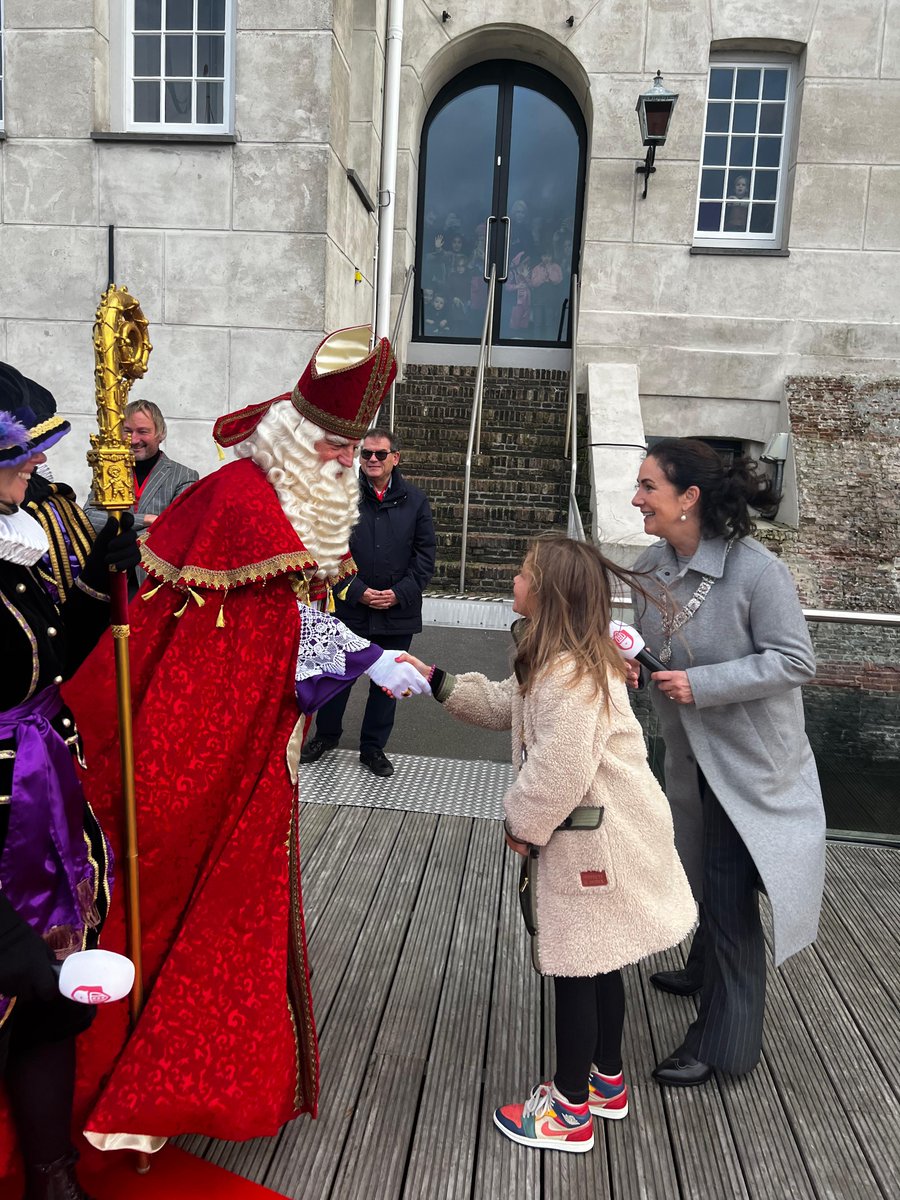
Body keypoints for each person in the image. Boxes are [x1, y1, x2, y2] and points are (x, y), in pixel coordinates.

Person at [52, 327, 430, 1158]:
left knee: (234, 909)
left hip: (256, 749)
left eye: (351, 450)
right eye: (334, 447)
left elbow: (282, 624)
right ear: (295, 437)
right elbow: (251, 639)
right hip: (203, 750)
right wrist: (361, 657)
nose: (344, 462)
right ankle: (144, 1092)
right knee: (193, 902)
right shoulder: (240, 504)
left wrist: (368, 655)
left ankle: (199, 1088)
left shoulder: (282, 500)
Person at [400, 536, 696, 1152]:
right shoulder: (565, 659)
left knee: (575, 966)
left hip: (594, 843)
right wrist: (438, 681)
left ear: (547, 591)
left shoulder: (569, 673)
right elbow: (506, 706)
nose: (514, 579)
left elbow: (560, 770)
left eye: (523, 573)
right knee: (602, 959)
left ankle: (568, 1111)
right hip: (606, 833)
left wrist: (520, 824)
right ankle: (605, 1082)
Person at [630, 437, 826, 1087]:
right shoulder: (652, 564)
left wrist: (702, 684)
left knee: (727, 896)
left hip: (749, 767)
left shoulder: (758, 572)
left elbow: (796, 661)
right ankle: (701, 968)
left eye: (648, 487)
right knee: (703, 873)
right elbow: (653, 650)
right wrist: (634, 667)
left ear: (688, 497)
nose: (636, 499)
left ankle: (724, 1045)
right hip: (691, 756)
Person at [0, 363, 139, 1198]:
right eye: (16, 454)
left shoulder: (13, 544)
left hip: (40, 798)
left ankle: (54, 1178)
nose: (34, 464)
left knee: (51, 1008)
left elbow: (51, 660)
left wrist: (96, 583)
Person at [301, 428, 435, 777]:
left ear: (395, 458)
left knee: (387, 684)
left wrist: (399, 594)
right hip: (351, 607)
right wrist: (357, 590)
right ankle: (326, 736)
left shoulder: (416, 501)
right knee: (337, 674)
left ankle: (373, 748)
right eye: (366, 454)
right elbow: (327, 548)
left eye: (380, 454)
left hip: (397, 611)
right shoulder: (341, 496)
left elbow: (425, 557)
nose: (372, 459)